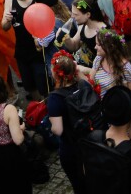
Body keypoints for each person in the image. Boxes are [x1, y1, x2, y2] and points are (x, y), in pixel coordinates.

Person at [47, 51, 88, 194]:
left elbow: (58, 130)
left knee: (79, 184)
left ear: (56, 74)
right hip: (90, 140)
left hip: (71, 147)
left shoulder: (55, 98)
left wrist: (50, 123)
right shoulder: (83, 85)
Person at [81, 28, 131, 99]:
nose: (95, 47)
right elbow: (91, 82)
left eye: (98, 45)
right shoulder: (98, 59)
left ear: (111, 47)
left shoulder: (126, 68)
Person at [57, 0, 107, 69]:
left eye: (76, 14)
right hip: (78, 66)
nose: (72, 16)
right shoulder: (83, 26)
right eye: (72, 13)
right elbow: (74, 46)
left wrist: (84, 70)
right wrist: (67, 39)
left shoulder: (103, 33)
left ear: (88, 14)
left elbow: (106, 67)